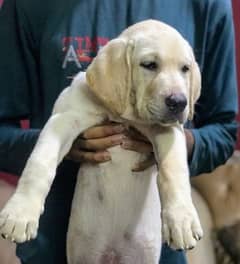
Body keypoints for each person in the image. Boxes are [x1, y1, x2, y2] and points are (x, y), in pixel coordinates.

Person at [0, 0, 238, 263]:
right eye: (151, 64)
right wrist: (64, 144)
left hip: (155, 247)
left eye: (183, 70)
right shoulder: (28, 5)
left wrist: (174, 144)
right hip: (52, 247)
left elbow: (225, 133)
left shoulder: (207, 4)